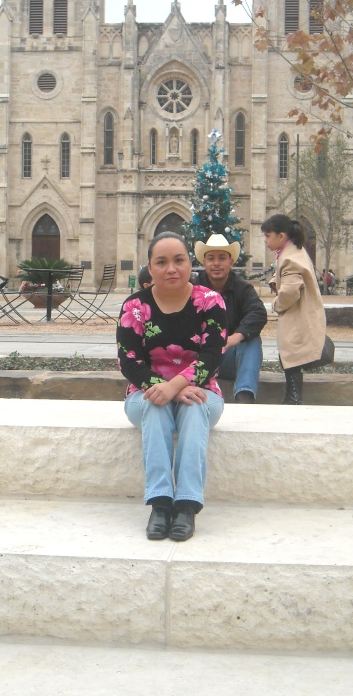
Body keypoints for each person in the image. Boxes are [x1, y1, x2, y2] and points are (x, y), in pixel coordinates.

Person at [117, 231, 227, 542]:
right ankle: (161, 504)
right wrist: (165, 389)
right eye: (161, 262)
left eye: (178, 260)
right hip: (144, 394)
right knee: (155, 406)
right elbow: (129, 362)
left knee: (193, 409)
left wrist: (175, 386)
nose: (171, 269)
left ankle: (187, 507)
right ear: (150, 268)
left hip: (203, 392)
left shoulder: (209, 302)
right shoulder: (134, 307)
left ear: (190, 263)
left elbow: (212, 356)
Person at [261, 214, 326, 405]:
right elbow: (288, 278)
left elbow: (290, 291)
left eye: (268, 235)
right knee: (291, 358)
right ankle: (293, 397)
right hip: (302, 315)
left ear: (281, 236)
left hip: (297, 317)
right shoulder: (292, 252)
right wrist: (275, 281)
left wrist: (275, 304)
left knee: (291, 359)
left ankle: (293, 399)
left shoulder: (289, 257)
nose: (265, 240)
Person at [194, 233, 267, 404]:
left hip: (228, 358)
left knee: (251, 340)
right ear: (204, 263)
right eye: (211, 258)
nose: (216, 263)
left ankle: (244, 397)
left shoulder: (243, 288)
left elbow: (258, 312)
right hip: (200, 359)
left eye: (222, 258)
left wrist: (236, 337)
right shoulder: (193, 289)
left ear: (231, 262)